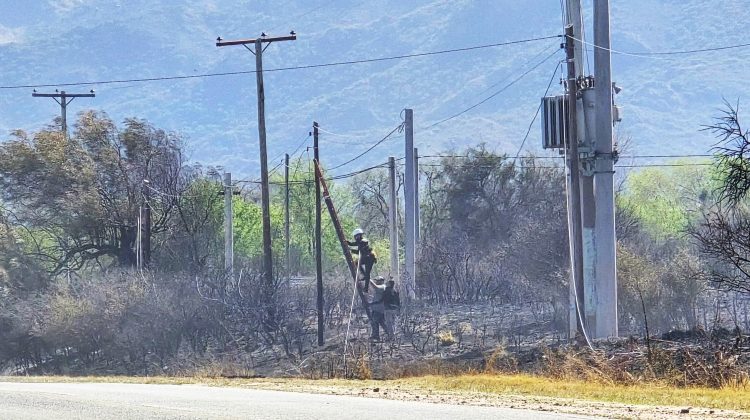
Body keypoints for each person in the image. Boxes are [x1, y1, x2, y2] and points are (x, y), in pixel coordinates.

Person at [368, 276, 389, 341]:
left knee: (375, 322)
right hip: (378, 309)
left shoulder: (382, 286)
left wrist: (368, 279)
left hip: (378, 309)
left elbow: (375, 287)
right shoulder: (381, 288)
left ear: (382, 281)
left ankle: (376, 336)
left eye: (377, 280)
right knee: (382, 323)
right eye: (376, 280)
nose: (376, 282)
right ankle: (390, 334)